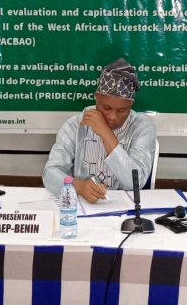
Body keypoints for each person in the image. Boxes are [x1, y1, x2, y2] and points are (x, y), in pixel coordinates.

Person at [42, 58, 157, 203]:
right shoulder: (75, 125)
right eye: (106, 108)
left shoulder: (142, 128)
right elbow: (50, 174)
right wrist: (79, 187)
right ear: (96, 98)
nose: (112, 117)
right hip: (82, 204)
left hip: (124, 207)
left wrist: (106, 134)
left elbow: (135, 183)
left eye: (121, 110)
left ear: (131, 105)